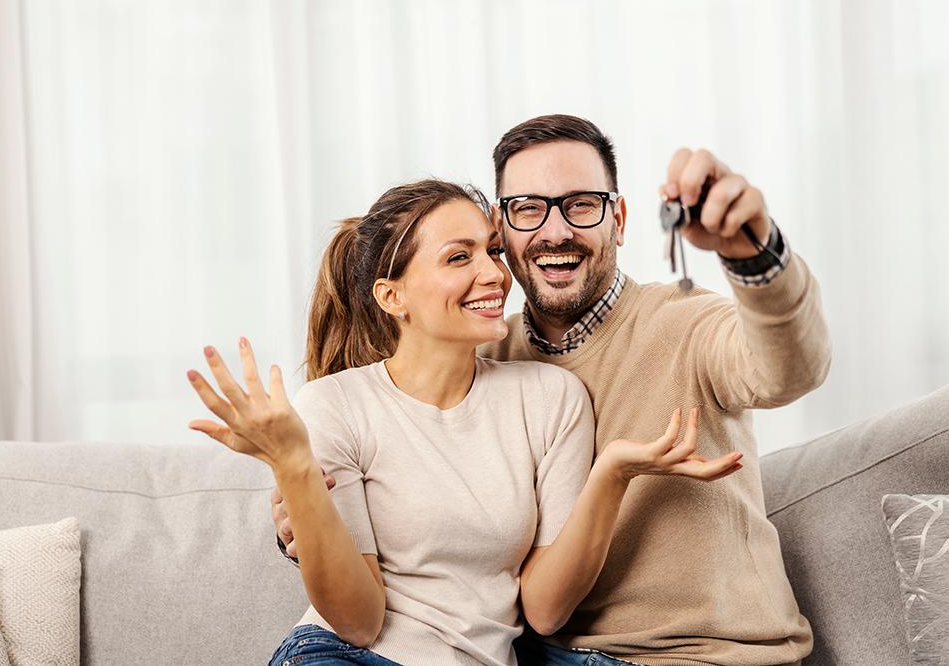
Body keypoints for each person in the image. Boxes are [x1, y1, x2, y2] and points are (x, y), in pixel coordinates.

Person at [273, 115, 831, 666]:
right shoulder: (477, 353)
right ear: (502, 227)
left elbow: (788, 370)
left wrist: (754, 253)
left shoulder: (686, 326)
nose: (556, 231)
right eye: (528, 209)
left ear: (620, 220)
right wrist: (310, 521)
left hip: (694, 654)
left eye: (582, 204)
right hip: (540, 654)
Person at [187, 178, 744, 666]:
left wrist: (613, 475)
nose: (495, 275)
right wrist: (294, 468)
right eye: (460, 257)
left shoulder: (551, 398)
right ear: (392, 296)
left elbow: (546, 612)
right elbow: (357, 621)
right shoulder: (333, 407)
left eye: (493, 251)